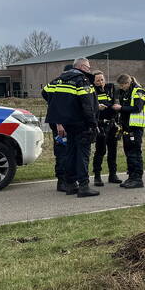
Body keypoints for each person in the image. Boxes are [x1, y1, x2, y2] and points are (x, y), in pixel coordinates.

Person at [48, 58, 100, 197]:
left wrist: (61, 112)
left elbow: (46, 93)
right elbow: (87, 104)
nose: (89, 70)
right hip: (81, 124)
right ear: (82, 67)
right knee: (83, 155)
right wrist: (93, 124)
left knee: (70, 154)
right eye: (88, 67)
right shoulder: (81, 80)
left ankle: (70, 184)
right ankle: (84, 186)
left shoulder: (60, 79)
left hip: (68, 123)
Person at [42, 63, 75, 192]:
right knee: (62, 152)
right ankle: (62, 181)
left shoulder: (53, 83)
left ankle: (66, 179)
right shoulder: (63, 83)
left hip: (61, 121)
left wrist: (51, 102)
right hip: (60, 123)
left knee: (66, 152)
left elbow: (44, 92)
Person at [114, 74, 145, 188]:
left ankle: (137, 179)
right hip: (126, 128)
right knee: (129, 153)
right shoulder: (126, 92)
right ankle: (131, 177)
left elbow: (137, 108)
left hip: (135, 128)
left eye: (123, 85)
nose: (121, 87)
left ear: (128, 83)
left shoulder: (139, 91)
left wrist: (121, 108)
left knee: (135, 153)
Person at [91, 72, 121, 187]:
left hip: (112, 124)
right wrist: (98, 107)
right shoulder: (92, 91)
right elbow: (91, 105)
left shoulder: (110, 88)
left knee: (113, 150)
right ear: (94, 81)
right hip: (100, 125)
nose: (100, 82)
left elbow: (115, 102)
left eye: (102, 79)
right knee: (100, 151)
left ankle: (113, 174)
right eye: (98, 80)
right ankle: (97, 176)